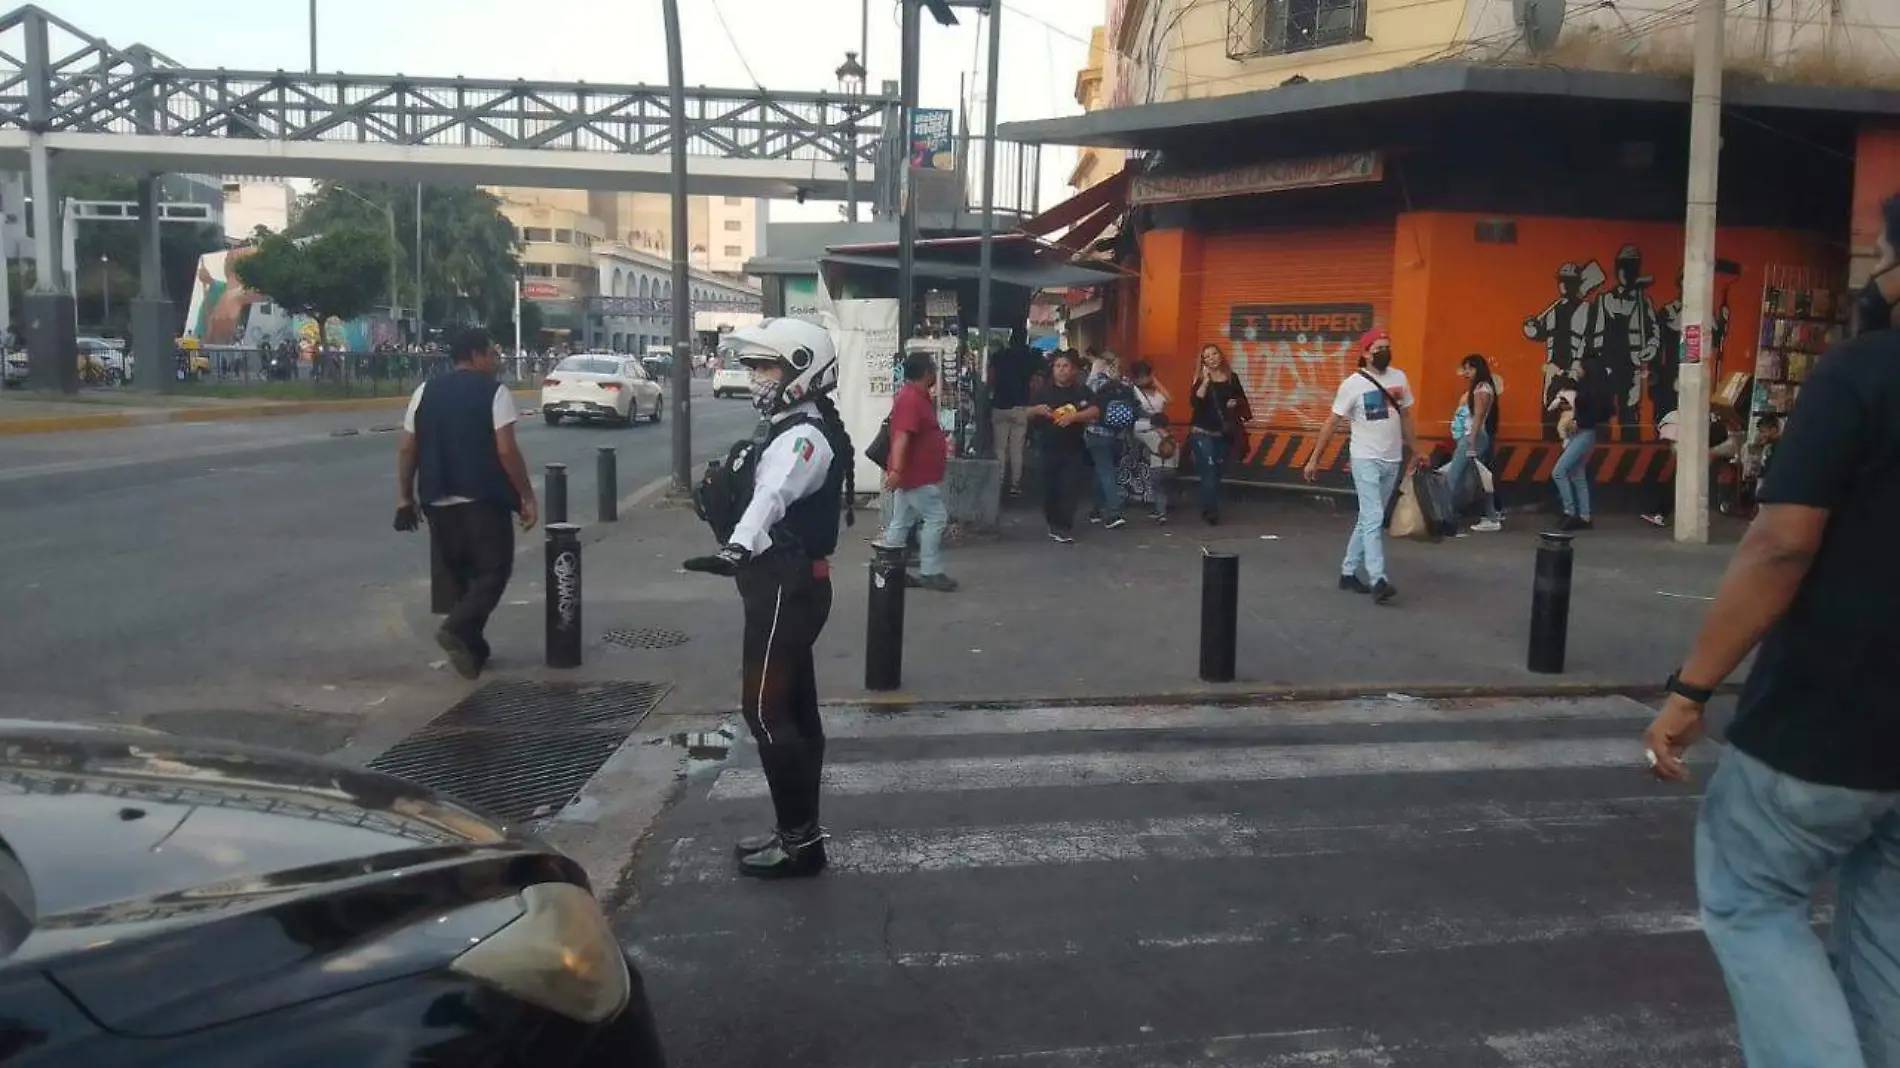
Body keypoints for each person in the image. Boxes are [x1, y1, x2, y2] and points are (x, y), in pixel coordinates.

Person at [1641, 194, 1900, 1068]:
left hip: (1826, 720)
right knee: (1889, 947)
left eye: (1880, 253)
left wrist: (1690, 689)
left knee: (1753, 900)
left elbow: (1782, 544)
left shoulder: (1862, 373)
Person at [682, 318, 856, 879]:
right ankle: (800, 836)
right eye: (754, 366)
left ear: (804, 370)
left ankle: (800, 842)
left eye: (767, 367)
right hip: (789, 583)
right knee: (795, 709)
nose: (756, 377)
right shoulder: (794, 426)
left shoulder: (803, 437)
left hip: (785, 584)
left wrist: (735, 546)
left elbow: (771, 499)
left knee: (765, 710)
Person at [394, 328, 539, 679]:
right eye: (492, 353)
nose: (497, 359)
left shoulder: (424, 391)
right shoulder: (495, 393)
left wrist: (405, 496)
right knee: (493, 571)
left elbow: (408, 448)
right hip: (482, 499)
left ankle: (473, 649)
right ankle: (456, 628)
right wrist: (526, 496)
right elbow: (506, 449)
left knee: (458, 575)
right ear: (475, 356)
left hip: (436, 499)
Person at [1303, 329, 1422, 605]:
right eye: (1378, 347)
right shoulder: (1352, 385)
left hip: (1392, 458)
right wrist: (1314, 458)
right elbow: (1332, 423)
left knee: (1369, 517)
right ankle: (1378, 578)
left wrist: (1416, 450)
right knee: (1373, 516)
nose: (1383, 351)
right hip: (1365, 458)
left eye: (1387, 346)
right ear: (1365, 353)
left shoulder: (1399, 378)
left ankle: (1347, 572)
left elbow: (1406, 417)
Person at [881, 351, 957, 592]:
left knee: (902, 520)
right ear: (926, 373)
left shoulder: (914, 397)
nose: (935, 372)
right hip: (915, 474)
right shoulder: (910, 399)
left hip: (912, 474)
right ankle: (930, 570)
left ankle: (890, 567)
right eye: (933, 368)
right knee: (936, 518)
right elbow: (903, 436)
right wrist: (898, 470)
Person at [1026, 351, 1098, 543]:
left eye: (1065, 366)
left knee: (1069, 487)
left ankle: (1063, 526)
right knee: (1050, 488)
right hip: (1047, 446)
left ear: (1073, 370)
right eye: (1058, 366)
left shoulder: (1081, 391)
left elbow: (1095, 410)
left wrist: (1075, 417)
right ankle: (1052, 521)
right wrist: (1036, 410)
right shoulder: (1043, 391)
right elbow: (1026, 411)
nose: (1061, 370)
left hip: (1073, 447)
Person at [1187, 344, 1250, 525]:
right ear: (1203, 362)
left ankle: (1208, 504)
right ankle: (1211, 512)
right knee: (1209, 470)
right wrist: (1205, 381)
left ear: (1220, 356)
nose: (1212, 358)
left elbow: (1243, 401)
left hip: (1223, 433)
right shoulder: (1200, 380)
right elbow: (1195, 402)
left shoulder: (1232, 378)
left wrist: (1235, 402)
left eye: (1214, 354)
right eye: (1207, 357)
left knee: (1217, 472)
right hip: (1202, 432)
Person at [1444, 353, 1505, 533]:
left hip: (1473, 436)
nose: (1465, 373)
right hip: (1477, 436)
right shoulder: (1485, 387)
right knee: (1477, 478)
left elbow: (1478, 416)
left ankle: (1446, 516)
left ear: (1477, 369)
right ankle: (1491, 515)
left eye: (1468, 369)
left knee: (1455, 476)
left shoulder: (1481, 389)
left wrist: (1470, 440)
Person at [1548, 359, 1611, 531]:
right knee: (1577, 474)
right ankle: (1585, 516)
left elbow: (1592, 413)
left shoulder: (1590, 390)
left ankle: (1570, 511)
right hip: (1582, 433)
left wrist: (1579, 422)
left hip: (1583, 433)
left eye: (1580, 367)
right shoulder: (1590, 388)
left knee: (1559, 472)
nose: (1577, 370)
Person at [988, 328, 1038, 497]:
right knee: (1017, 449)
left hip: (1000, 405)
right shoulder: (1029, 358)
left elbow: (991, 378)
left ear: (1010, 339)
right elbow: (1034, 380)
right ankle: (1015, 485)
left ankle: (999, 481)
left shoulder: (999, 356)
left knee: (1000, 449)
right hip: (1021, 407)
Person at [1084, 350, 1132, 528]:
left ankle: (1114, 513)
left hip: (1096, 432)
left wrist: (1094, 371)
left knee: (1105, 472)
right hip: (1117, 435)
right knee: (1103, 470)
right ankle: (1096, 510)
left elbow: (1086, 394)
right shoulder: (1125, 382)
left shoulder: (1097, 381)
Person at [1127, 360, 1175, 522]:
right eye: (1141, 376)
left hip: (1160, 430)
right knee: (1160, 455)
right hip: (1144, 427)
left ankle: (1160, 505)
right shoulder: (1134, 392)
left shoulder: (1157, 393)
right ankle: (1161, 508)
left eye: (1146, 376)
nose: (1144, 380)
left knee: (1161, 460)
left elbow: (1169, 398)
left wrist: (1155, 380)